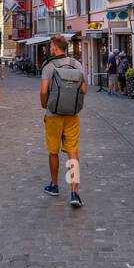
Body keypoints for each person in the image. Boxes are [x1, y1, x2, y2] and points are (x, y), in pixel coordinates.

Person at [40, 34, 86, 208]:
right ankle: (74, 192)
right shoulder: (77, 64)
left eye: (51, 45)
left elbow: (44, 91)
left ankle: (54, 185)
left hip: (54, 114)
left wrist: (45, 106)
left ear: (54, 47)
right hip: (72, 114)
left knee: (53, 151)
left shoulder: (48, 66)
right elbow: (84, 89)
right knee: (72, 151)